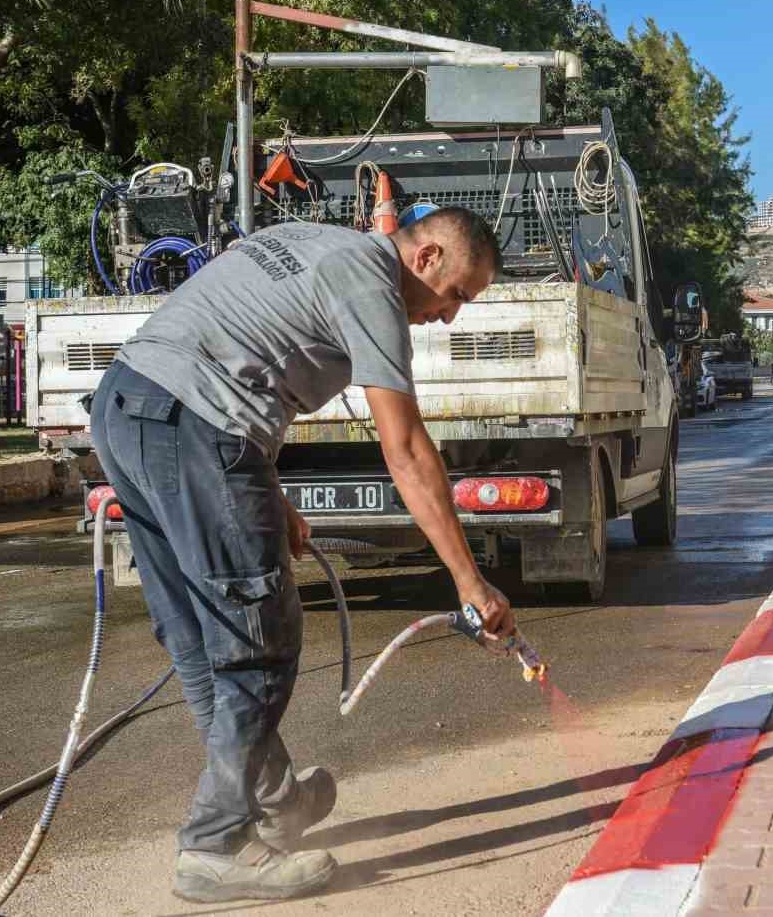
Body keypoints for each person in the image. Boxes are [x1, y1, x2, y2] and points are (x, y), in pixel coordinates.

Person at [89, 207, 514, 903]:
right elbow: (405, 450)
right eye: (457, 296)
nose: (449, 317)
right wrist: (471, 583)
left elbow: (244, 346)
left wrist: (266, 488)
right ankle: (215, 844)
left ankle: (275, 803)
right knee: (261, 643)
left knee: (202, 637)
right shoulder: (373, 284)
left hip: (128, 406)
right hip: (195, 430)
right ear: (428, 256)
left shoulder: (313, 242)